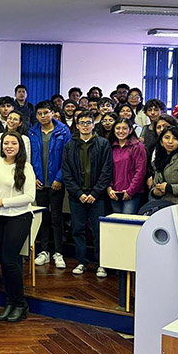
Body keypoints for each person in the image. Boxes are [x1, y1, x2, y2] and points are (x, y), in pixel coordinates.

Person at [0, 130, 36, 322]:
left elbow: (30, 196)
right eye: (6, 143)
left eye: (13, 143)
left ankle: (20, 303)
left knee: (9, 260)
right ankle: (10, 302)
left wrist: (3, 202)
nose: (9, 146)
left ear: (20, 146)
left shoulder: (26, 167)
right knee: (7, 262)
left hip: (19, 217)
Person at [62, 111, 113, 277]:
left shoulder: (103, 143)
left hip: (97, 196)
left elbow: (107, 170)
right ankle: (81, 262)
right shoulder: (70, 145)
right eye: (81, 123)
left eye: (88, 122)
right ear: (77, 126)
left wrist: (96, 192)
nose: (85, 126)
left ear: (93, 125)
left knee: (99, 231)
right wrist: (78, 193)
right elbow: (66, 172)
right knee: (78, 230)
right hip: (77, 196)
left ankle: (101, 264)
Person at [30, 101, 70, 270]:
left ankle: (58, 252)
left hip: (56, 182)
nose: (43, 116)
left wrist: (59, 178)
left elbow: (67, 157)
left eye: (46, 113)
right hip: (39, 182)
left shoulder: (63, 131)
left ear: (53, 113)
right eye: (40, 113)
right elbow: (29, 157)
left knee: (56, 218)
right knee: (43, 218)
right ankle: (44, 251)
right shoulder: (32, 132)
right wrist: (33, 177)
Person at [107, 117, 148, 214]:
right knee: (117, 224)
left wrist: (130, 191)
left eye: (124, 128)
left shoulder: (137, 147)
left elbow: (140, 171)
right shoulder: (110, 146)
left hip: (132, 193)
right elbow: (107, 169)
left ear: (130, 130)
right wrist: (109, 187)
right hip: (114, 193)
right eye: (118, 128)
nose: (121, 131)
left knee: (128, 224)